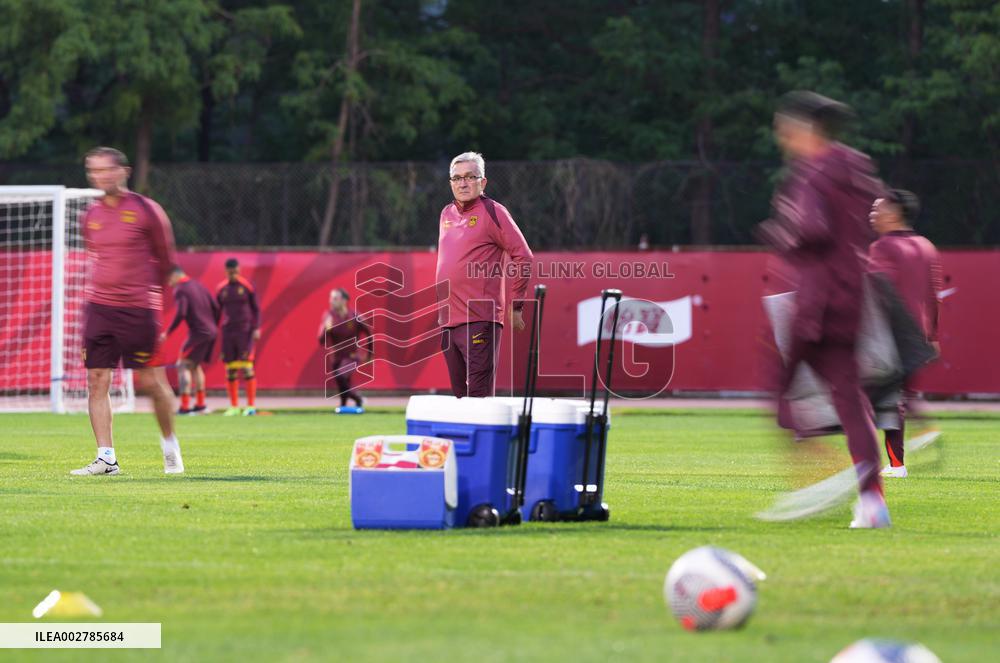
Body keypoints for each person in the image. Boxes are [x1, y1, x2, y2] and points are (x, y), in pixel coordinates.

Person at [758, 91, 888, 528]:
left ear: (803, 130)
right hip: (853, 295)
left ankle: (817, 469)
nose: (783, 140)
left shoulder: (812, 173)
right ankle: (872, 501)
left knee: (779, 384)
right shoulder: (857, 165)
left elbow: (812, 230)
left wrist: (782, 234)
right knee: (848, 396)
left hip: (817, 297)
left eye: (785, 131)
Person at [71, 146, 184, 476]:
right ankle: (106, 458)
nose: (100, 176)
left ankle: (169, 445)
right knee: (96, 379)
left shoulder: (147, 210)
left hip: (139, 309)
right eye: (94, 171)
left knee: (150, 382)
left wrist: (163, 314)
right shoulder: (90, 216)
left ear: (124, 171)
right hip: (99, 308)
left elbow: (169, 266)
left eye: (107, 170)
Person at [436, 152, 533, 398]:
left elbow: (524, 256)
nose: (463, 183)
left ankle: (487, 438)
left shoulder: (494, 212)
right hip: (448, 321)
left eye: (470, 176)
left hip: (480, 318)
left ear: (483, 182)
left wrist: (516, 305)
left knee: (478, 398)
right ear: (450, 183)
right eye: (457, 178)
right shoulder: (446, 213)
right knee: (460, 398)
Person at [868, 190, 942, 478]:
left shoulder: (883, 247)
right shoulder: (926, 246)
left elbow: (877, 289)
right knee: (903, 396)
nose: (872, 214)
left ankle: (896, 464)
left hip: (889, 333)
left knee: (886, 400)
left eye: (878, 209)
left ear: (895, 212)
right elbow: (934, 294)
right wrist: (933, 336)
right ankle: (925, 429)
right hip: (918, 334)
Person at [160, 266, 220, 415]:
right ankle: (200, 405)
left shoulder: (181, 289)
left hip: (199, 333)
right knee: (195, 366)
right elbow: (216, 308)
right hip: (211, 331)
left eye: (168, 279)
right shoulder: (198, 285)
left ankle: (185, 407)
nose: (169, 283)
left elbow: (181, 312)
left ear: (175, 275)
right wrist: (212, 325)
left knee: (183, 365)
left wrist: (168, 332)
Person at [216, 258, 260, 416]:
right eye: (229, 272)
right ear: (225, 271)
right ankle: (234, 406)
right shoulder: (221, 289)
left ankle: (250, 406)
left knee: (247, 368)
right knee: (230, 370)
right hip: (228, 332)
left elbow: (256, 309)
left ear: (239, 270)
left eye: (235, 271)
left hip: (245, 331)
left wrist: (256, 328)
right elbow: (217, 311)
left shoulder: (247, 286)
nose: (232, 274)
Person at [317, 288, 372, 408]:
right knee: (343, 385)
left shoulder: (354, 316)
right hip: (336, 358)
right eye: (330, 298)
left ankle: (358, 399)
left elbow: (369, 333)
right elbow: (321, 341)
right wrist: (326, 329)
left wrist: (369, 355)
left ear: (344, 300)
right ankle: (344, 407)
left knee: (341, 376)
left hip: (352, 356)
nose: (331, 301)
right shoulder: (328, 316)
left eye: (335, 298)